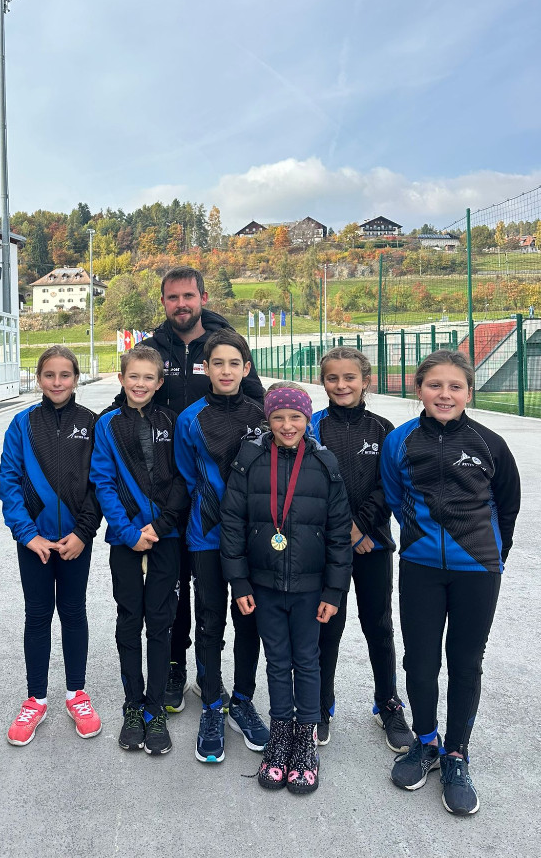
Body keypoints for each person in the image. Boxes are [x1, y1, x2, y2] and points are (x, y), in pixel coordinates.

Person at [381, 350, 521, 816]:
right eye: (435, 385)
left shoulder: (490, 443)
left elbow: (507, 505)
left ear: (468, 392)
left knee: (465, 662)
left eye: (455, 386)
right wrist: (421, 539)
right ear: (418, 389)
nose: (445, 394)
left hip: (477, 571)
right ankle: (425, 742)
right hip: (420, 566)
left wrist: (492, 556)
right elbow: (395, 496)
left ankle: (456, 753)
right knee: (420, 662)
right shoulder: (399, 441)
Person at [140, 266, 264, 713]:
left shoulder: (225, 343)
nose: (181, 304)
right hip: (172, 490)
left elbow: (259, 402)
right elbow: (134, 393)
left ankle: (228, 685)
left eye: (188, 296)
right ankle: (177, 668)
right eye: (173, 297)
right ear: (163, 302)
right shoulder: (152, 347)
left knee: (230, 597)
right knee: (177, 592)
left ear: (202, 297)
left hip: (230, 497)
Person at [221, 384, 352, 794]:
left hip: (311, 587)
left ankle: (305, 740)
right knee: (277, 661)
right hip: (264, 584)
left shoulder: (325, 463)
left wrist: (334, 591)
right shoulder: (249, 459)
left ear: (307, 419)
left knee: (307, 661)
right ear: (268, 420)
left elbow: (339, 534)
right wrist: (239, 580)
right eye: (278, 417)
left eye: (295, 417)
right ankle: (280, 737)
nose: (287, 425)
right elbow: (232, 522)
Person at [310, 347, 412, 753]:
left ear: (366, 381)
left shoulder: (384, 429)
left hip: (374, 545)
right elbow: (311, 486)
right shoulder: (312, 426)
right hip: (326, 547)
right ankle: (321, 704)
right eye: (332, 378)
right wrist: (346, 533)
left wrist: (362, 527)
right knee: (326, 626)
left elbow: (389, 487)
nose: (341, 385)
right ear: (322, 382)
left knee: (379, 626)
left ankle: (387, 703)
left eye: (350, 377)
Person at [0, 346, 103, 745]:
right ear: (38, 378)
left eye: (65, 375)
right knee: (38, 615)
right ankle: (36, 699)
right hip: (36, 543)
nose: (57, 382)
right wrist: (28, 535)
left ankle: (77, 694)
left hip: (75, 540)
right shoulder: (21, 423)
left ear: (76, 378)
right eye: (49, 375)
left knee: (73, 612)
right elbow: (9, 482)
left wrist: (83, 533)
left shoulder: (92, 423)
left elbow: (99, 483)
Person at [174, 328, 269, 763]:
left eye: (234, 363)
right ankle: (212, 703)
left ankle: (243, 701)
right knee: (210, 619)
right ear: (205, 368)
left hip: (254, 538)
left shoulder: (263, 415)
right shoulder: (189, 419)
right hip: (206, 536)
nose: (226, 371)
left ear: (246, 368)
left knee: (249, 620)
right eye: (218, 364)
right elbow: (187, 477)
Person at [90, 347, 188, 756]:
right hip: (126, 542)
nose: (141, 384)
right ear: (121, 378)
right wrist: (128, 532)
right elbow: (103, 481)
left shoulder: (172, 421)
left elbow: (183, 478)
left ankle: (155, 707)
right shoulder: (107, 424)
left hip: (166, 538)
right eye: (134, 376)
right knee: (129, 620)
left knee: (161, 622)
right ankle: (133, 705)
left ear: (160, 382)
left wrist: (161, 526)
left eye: (149, 377)